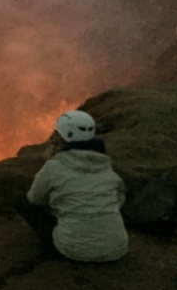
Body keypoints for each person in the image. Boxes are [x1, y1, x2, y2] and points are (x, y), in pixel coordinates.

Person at [16, 110, 128, 262]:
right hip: (117, 249)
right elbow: (119, 198)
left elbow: (35, 199)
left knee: (23, 203)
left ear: (63, 137)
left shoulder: (54, 166)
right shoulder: (104, 163)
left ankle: (54, 250)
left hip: (72, 250)